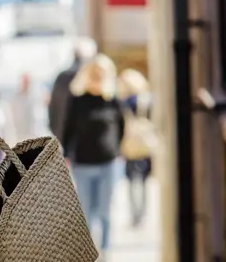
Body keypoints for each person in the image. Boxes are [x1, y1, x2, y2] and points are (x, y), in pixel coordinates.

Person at [62, 53, 124, 260]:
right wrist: (64, 155)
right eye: (95, 73)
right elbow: (68, 129)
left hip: (108, 162)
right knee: (87, 211)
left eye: (102, 74)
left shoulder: (112, 100)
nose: (98, 77)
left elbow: (121, 127)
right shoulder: (77, 101)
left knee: (105, 210)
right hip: (83, 164)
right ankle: (88, 253)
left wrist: (116, 151)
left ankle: (106, 250)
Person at [118, 68, 155, 228]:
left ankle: (136, 215)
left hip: (131, 145)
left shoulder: (124, 102)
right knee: (144, 182)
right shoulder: (147, 99)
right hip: (145, 145)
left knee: (133, 182)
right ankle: (142, 214)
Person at [48, 36, 97, 138]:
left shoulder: (62, 78)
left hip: (69, 138)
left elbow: (53, 110)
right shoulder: (94, 78)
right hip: (81, 140)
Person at [8, 73, 39, 142]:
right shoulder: (15, 98)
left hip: (32, 135)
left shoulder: (34, 97)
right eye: (24, 82)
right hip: (18, 135)